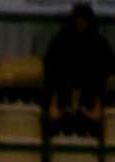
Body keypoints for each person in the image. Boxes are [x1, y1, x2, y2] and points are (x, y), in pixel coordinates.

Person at [44, 3, 114, 138]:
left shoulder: (99, 43)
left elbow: (108, 67)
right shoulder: (60, 41)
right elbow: (50, 67)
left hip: (91, 97)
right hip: (63, 97)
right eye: (78, 20)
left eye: (84, 21)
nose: (81, 24)